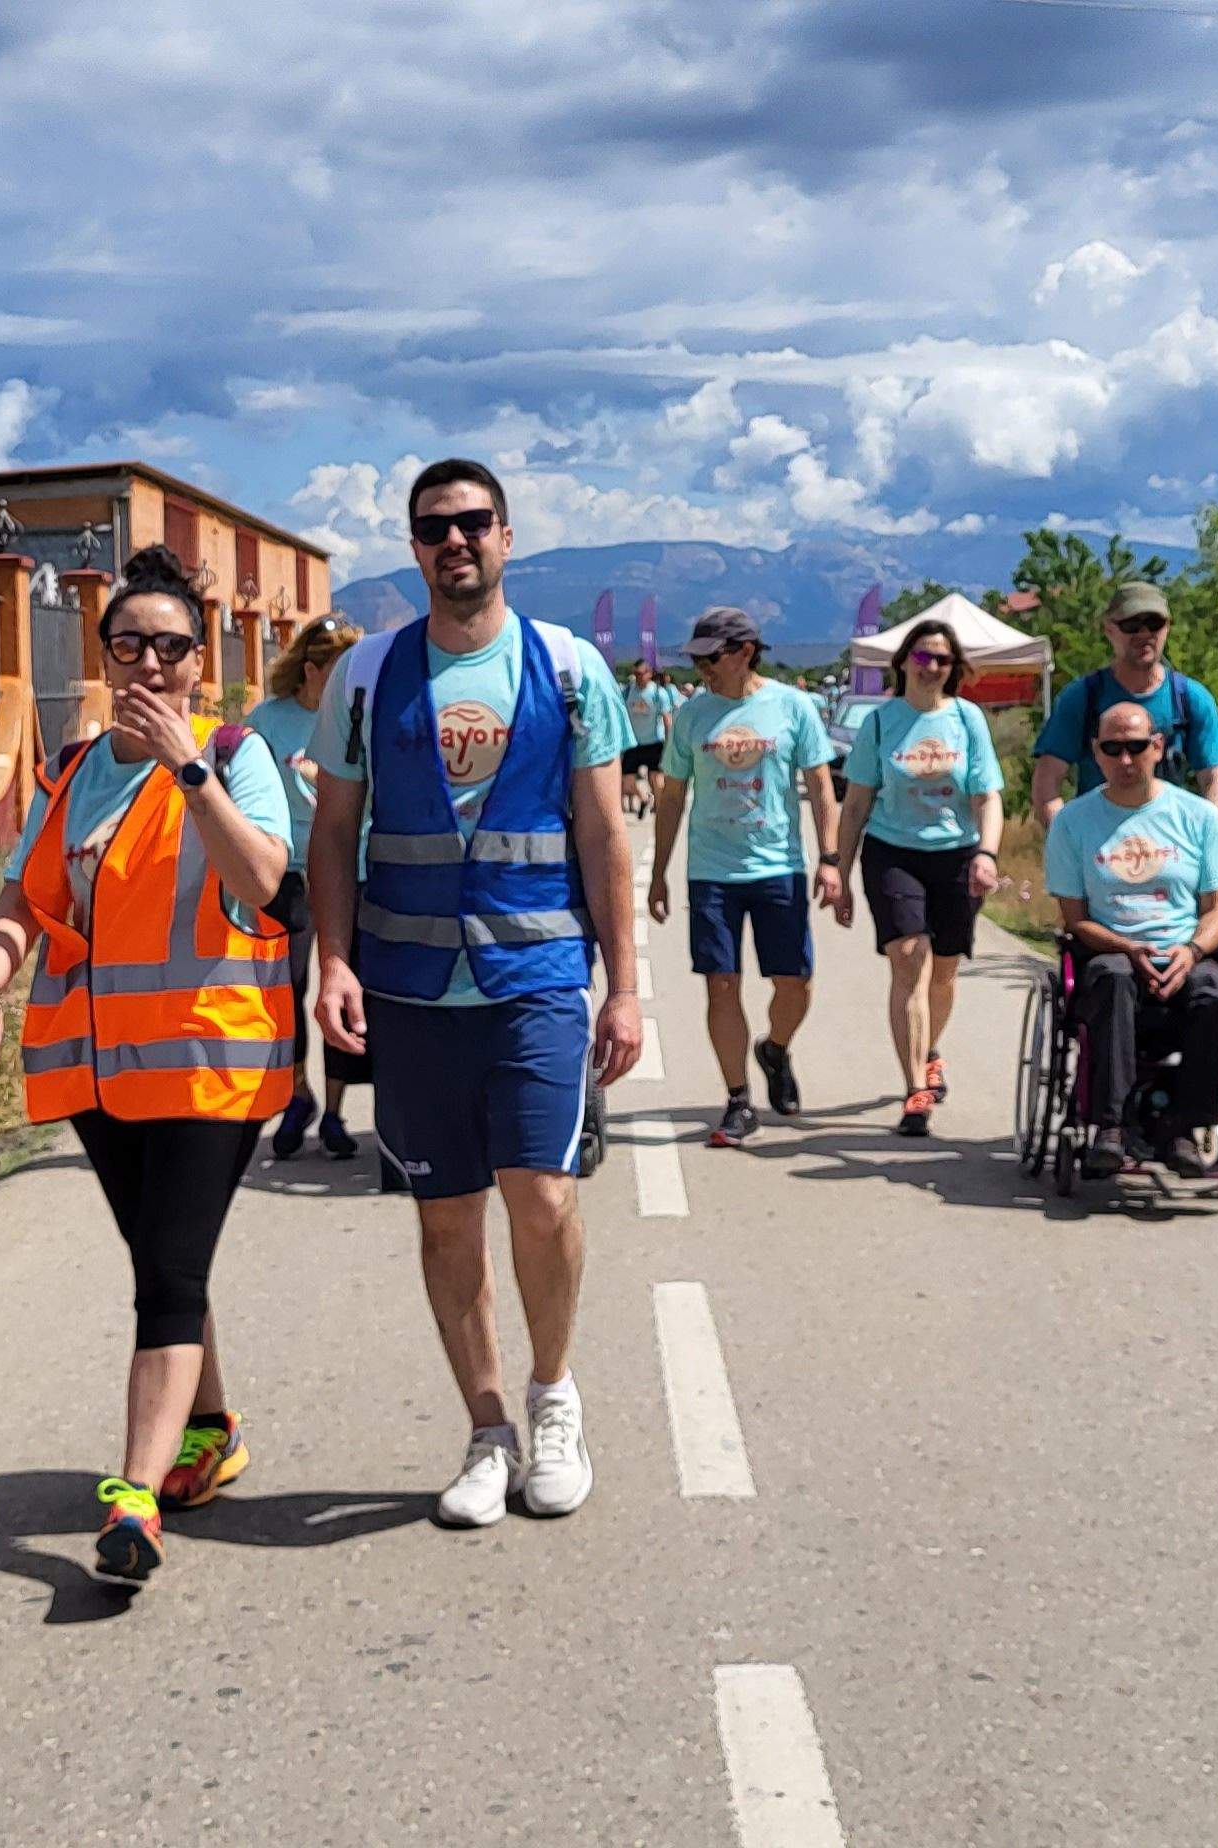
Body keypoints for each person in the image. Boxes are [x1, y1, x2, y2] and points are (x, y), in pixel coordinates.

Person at [0, 544, 297, 1590]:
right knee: (163, 1260)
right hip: (103, 1075)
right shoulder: (67, 771)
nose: (148, 663)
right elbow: (21, 901)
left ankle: (135, 1498)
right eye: (128, 644)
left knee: (169, 1274)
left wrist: (187, 771)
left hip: (209, 1065)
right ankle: (210, 1431)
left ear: (202, 661)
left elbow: (267, 881)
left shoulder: (235, 756)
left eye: (170, 646)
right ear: (105, 655)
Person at [306, 459, 643, 1529]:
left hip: (538, 976)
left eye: (472, 523)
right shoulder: (364, 674)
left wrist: (626, 988)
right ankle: (487, 1429)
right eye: (433, 528)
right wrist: (332, 960)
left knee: (540, 1197)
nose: (454, 542)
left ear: (507, 535)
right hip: (410, 989)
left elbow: (602, 835)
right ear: (413, 547)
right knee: (446, 1217)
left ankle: (552, 1398)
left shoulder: (570, 666)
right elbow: (330, 833)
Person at [649, 607, 845, 1149]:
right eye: (697, 659)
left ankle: (776, 1048)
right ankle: (738, 1098)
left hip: (777, 866)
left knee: (794, 983)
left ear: (744, 652)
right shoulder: (692, 716)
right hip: (712, 870)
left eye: (712, 657)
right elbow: (671, 798)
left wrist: (829, 859)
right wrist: (660, 872)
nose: (703, 669)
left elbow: (821, 787)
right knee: (722, 981)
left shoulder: (792, 706)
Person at [1042, 700, 1218, 1181]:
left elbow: (1216, 911)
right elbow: (1075, 920)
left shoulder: (1198, 818)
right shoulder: (1073, 821)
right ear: (1096, 752)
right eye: (1113, 749)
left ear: (1158, 746)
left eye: (1136, 747)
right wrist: (1127, 949)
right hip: (1110, 952)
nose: (1125, 760)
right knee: (1112, 980)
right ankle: (1112, 1125)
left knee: (1216, 993)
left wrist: (1190, 952)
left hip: (1181, 951)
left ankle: (1185, 1128)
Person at [830, 616, 1003, 1138]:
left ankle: (929, 1049)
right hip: (892, 853)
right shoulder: (881, 724)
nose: (932, 667)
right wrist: (839, 870)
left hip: (956, 855)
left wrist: (988, 853)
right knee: (909, 961)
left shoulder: (968, 720)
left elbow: (987, 795)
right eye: (923, 657)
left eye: (943, 660)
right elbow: (857, 801)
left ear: (954, 669)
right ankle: (916, 1092)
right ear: (903, 661)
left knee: (944, 974)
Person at [243, 617, 368, 1166]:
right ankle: (298, 1095)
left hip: (351, 869)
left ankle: (338, 1112)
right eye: (335, 676)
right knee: (285, 994)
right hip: (287, 873)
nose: (345, 687)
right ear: (310, 671)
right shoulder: (268, 723)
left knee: (346, 993)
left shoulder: (358, 718)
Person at [1029, 582, 1218, 826]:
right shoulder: (1083, 698)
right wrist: (1070, 841)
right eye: (1131, 625)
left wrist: (1206, 838)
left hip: (1170, 847)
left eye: (1154, 624)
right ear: (1109, 629)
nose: (1144, 634)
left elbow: (1214, 779)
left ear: (1167, 627)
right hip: (1100, 849)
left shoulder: (1189, 698)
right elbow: (1047, 780)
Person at [620, 661, 684, 820]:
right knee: (627, 780)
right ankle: (644, 799)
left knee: (656, 778)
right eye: (636, 674)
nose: (638, 677)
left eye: (641, 674)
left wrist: (669, 743)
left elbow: (667, 718)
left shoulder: (658, 693)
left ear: (649, 674)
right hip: (633, 742)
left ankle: (662, 810)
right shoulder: (628, 692)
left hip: (654, 742)